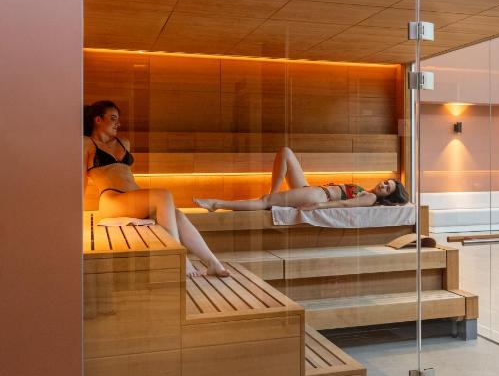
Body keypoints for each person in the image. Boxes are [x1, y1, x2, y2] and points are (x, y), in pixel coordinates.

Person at [84, 101, 229, 278]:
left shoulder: (123, 143)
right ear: (98, 119)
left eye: (118, 120)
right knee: (163, 195)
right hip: (112, 199)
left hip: (135, 198)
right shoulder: (86, 143)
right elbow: (80, 181)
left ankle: (213, 263)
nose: (118, 124)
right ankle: (180, 259)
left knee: (177, 214)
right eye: (113, 118)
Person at [193, 146, 409, 212]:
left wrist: (317, 207)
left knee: (265, 202)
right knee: (286, 153)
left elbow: (344, 204)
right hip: (314, 189)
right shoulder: (368, 192)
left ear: (387, 197)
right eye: (386, 182)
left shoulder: (370, 199)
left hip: (319, 196)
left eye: (387, 188)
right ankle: (273, 194)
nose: (383, 184)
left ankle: (216, 204)